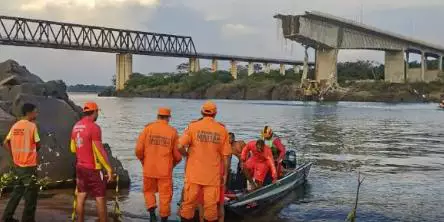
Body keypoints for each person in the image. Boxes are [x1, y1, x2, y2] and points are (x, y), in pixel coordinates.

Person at [178, 101, 231, 222]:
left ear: (202, 112)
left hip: (193, 175)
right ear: (215, 114)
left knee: (188, 205)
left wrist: (187, 155)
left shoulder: (192, 126)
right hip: (212, 177)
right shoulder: (222, 130)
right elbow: (226, 156)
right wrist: (225, 175)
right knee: (211, 208)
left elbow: (179, 146)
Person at [135, 107, 182, 222]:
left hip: (149, 168)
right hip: (165, 170)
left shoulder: (147, 129)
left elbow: (138, 150)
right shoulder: (173, 132)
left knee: (148, 191)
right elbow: (178, 155)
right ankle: (164, 219)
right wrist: (173, 164)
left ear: (157, 116)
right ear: (168, 118)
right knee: (165, 196)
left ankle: (152, 215)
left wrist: (144, 162)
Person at [70, 102, 114, 222]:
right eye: (97, 112)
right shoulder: (94, 127)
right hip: (93, 168)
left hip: (80, 167)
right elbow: (99, 150)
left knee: (81, 196)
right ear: (94, 112)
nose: (97, 114)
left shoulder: (76, 126)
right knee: (100, 198)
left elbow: (73, 148)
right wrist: (109, 169)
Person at [2, 103, 41, 222]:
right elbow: (38, 144)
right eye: (35, 111)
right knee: (31, 195)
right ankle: (28, 219)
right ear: (29, 113)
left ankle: (7, 217)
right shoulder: (32, 126)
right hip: (28, 165)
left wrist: (14, 155)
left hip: (18, 164)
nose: (36, 114)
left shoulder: (15, 126)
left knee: (18, 191)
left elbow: (5, 143)